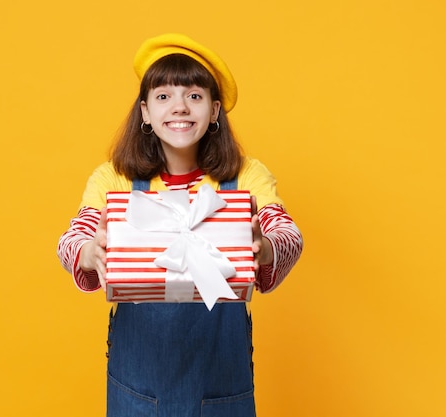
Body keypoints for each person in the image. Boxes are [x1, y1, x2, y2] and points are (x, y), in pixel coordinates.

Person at [57, 33, 303, 417]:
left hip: (222, 386)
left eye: (193, 95)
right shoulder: (114, 179)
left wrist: (266, 245)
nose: (179, 107)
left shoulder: (245, 177)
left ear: (215, 109)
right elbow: (72, 239)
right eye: (163, 96)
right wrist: (90, 251)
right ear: (145, 112)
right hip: (136, 387)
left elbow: (288, 235)